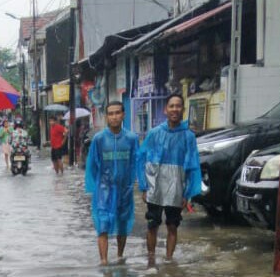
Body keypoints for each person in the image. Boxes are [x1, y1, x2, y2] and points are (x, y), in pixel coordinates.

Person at [137, 93, 202, 262]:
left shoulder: (189, 137)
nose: (175, 109)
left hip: (176, 189)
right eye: (171, 106)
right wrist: (144, 187)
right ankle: (151, 260)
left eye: (178, 106)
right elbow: (142, 159)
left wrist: (187, 194)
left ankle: (168, 260)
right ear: (165, 110)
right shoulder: (154, 133)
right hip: (155, 186)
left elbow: (193, 166)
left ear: (183, 109)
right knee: (152, 224)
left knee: (173, 226)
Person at [85, 101, 139, 265]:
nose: (114, 117)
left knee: (122, 224)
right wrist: (97, 187)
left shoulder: (131, 138)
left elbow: (136, 162)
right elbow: (92, 165)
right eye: (111, 113)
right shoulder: (99, 139)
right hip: (104, 190)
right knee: (103, 224)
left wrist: (135, 184)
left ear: (123, 115)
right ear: (106, 117)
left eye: (117, 113)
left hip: (125, 189)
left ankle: (120, 256)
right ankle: (104, 261)